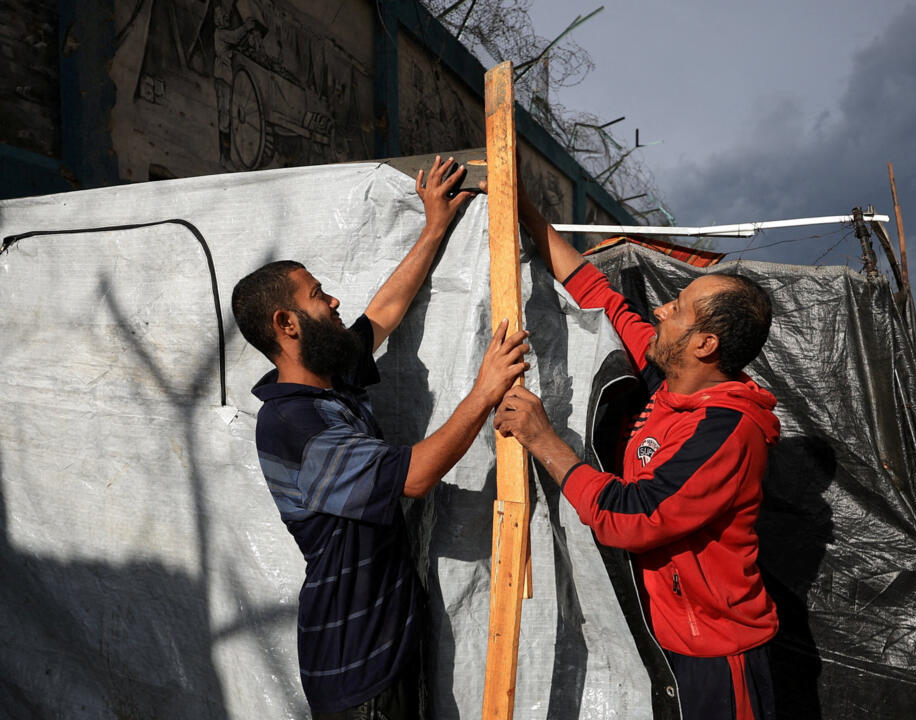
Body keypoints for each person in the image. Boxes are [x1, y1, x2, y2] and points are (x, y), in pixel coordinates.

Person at [230, 157, 529, 718]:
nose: (334, 301)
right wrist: (484, 392)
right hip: (357, 669)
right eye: (317, 295)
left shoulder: (328, 376)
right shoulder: (293, 424)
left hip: (386, 641)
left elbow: (385, 311)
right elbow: (412, 477)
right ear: (286, 324)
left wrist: (434, 226)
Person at [492, 186, 781, 720]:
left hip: (713, 653)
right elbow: (596, 292)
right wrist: (523, 209)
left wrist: (544, 439)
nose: (660, 308)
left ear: (705, 344)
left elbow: (633, 516)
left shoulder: (726, 430)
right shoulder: (666, 379)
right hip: (662, 634)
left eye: (678, 308)